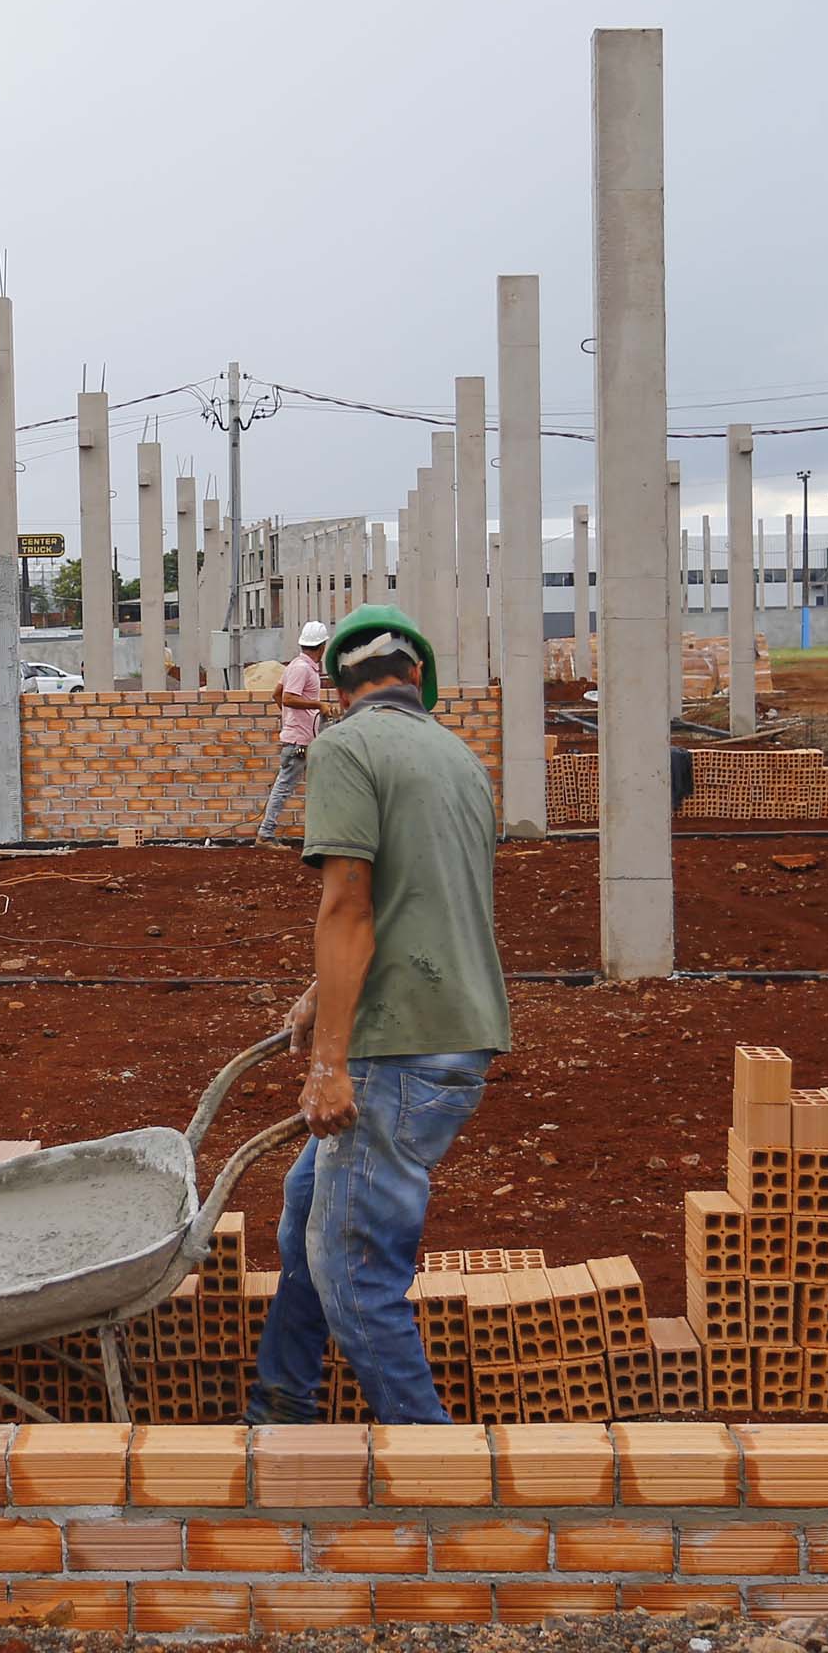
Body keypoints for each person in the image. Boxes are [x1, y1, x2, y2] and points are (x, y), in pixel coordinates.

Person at [248, 604, 509, 1425]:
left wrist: (330, 1064)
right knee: (303, 1216)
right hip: (455, 1031)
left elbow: (350, 907)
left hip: (401, 1048)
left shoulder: (345, 748)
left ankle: (436, 1468)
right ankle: (283, 1402)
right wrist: (321, 996)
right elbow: (416, 899)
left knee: (353, 1268)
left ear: (333, 687)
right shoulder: (457, 756)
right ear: (418, 679)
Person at [256, 619, 331, 842]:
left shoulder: (296, 666)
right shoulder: (301, 669)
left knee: (313, 783)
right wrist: (317, 706)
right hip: (299, 742)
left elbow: (277, 695)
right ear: (322, 646)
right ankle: (265, 835)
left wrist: (294, 719)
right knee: (283, 787)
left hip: (303, 738)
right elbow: (287, 697)